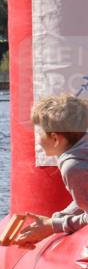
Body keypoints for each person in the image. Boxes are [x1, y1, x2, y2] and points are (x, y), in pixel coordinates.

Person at [17, 95, 88, 244]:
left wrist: (53, 226)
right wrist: (56, 219)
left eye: (38, 133)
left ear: (55, 139)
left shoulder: (74, 166)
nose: (36, 139)